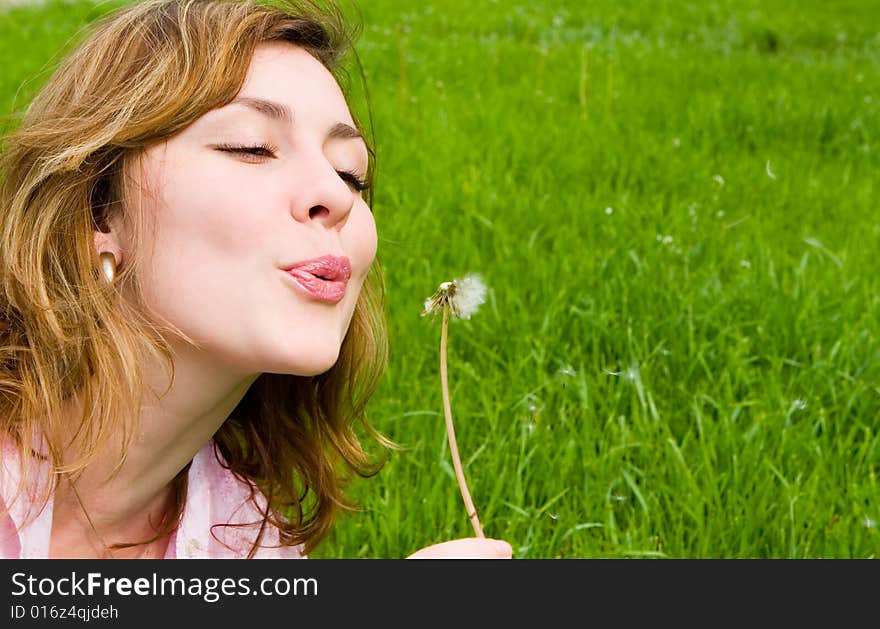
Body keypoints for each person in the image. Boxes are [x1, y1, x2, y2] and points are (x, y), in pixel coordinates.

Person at [0, 0, 511, 560]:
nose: (337, 195)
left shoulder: (247, 542)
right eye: (251, 147)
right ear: (99, 212)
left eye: (351, 172)